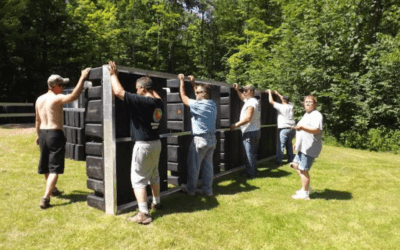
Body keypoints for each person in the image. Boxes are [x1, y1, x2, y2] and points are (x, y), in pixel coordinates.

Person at [108, 61, 164, 225]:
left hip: (144, 145)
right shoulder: (159, 102)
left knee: (138, 179)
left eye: (138, 88)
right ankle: (157, 202)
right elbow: (155, 93)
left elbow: (118, 92)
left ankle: (143, 213)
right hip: (156, 143)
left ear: (144, 90)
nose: (136, 91)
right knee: (154, 174)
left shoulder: (143, 101)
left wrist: (113, 75)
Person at [35, 67, 91, 209]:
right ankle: (45, 198)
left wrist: (37, 135)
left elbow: (37, 120)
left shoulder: (39, 99)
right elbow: (73, 96)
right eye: (62, 85)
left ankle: (53, 190)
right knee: (54, 168)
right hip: (54, 134)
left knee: (47, 165)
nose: (63, 88)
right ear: (56, 86)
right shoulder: (56, 98)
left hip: (42, 133)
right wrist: (82, 78)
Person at [178, 74, 217, 196]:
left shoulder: (199, 105)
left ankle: (190, 189)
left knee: (194, 166)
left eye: (198, 92)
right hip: (211, 140)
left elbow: (184, 98)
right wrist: (193, 83)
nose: (196, 94)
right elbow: (197, 94)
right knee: (208, 167)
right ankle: (207, 190)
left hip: (200, 140)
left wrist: (182, 81)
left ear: (204, 93)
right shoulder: (212, 104)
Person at [290, 95, 323, 200]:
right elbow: (300, 130)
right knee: (295, 165)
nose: (308, 104)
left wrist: (302, 127)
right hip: (302, 146)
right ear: (303, 104)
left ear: (315, 104)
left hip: (310, 147)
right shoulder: (306, 114)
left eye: (310, 102)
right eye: (306, 102)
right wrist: (296, 142)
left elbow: (316, 130)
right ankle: (307, 187)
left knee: (303, 170)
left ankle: (305, 193)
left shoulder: (316, 115)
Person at [230, 84, 261, 178]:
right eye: (243, 91)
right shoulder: (252, 101)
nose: (243, 93)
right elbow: (243, 98)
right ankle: (253, 171)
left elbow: (247, 118)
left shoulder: (251, 103)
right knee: (252, 153)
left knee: (248, 154)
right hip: (254, 131)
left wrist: (235, 125)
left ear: (251, 91)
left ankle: (250, 174)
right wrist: (237, 90)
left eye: (245, 91)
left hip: (250, 132)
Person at [267, 89, 296, 166]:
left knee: (281, 145)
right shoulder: (291, 105)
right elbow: (284, 98)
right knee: (289, 145)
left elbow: (271, 101)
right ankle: (290, 160)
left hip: (284, 129)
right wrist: (278, 94)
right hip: (291, 128)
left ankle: (279, 161)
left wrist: (270, 92)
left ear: (283, 100)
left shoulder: (281, 107)